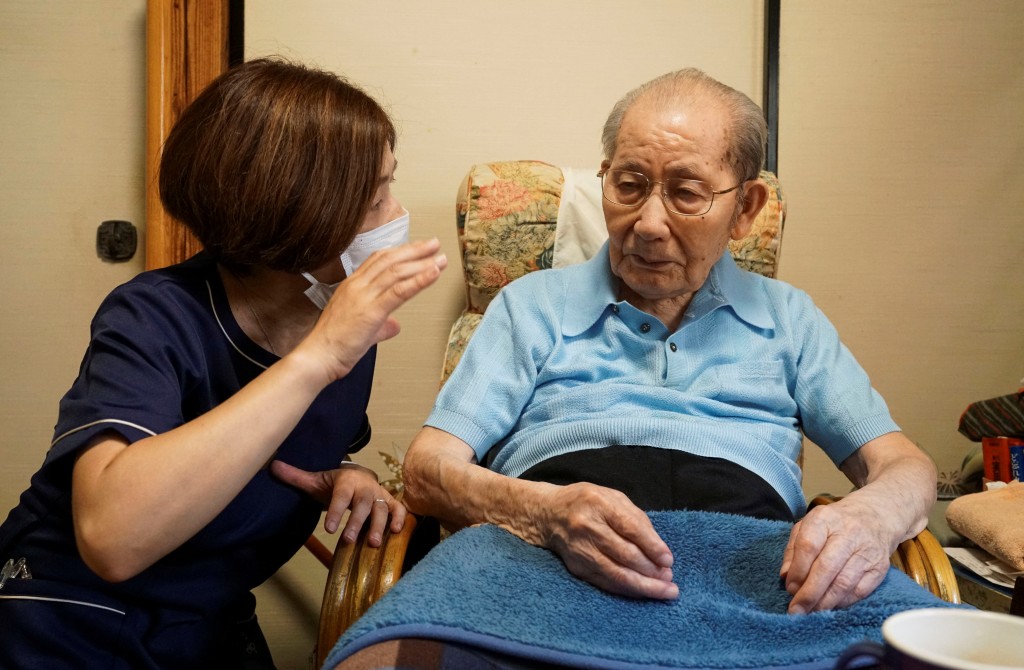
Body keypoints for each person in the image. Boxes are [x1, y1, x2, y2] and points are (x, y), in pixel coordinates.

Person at [402, 68, 936, 616]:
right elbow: (425, 471)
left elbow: (904, 466)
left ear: (745, 209)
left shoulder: (790, 317)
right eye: (629, 185)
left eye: (686, 193)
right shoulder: (531, 305)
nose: (650, 223)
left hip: (751, 571)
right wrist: (542, 512)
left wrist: (871, 518)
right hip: (543, 553)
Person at [0, 58, 446, 668]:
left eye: (390, 186)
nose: (396, 217)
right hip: (68, 625)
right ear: (298, 222)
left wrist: (346, 476)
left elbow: (288, 441)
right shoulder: (156, 315)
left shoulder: (345, 333)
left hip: (205, 629)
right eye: (374, 201)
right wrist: (321, 357)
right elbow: (112, 539)